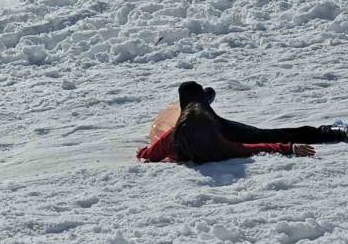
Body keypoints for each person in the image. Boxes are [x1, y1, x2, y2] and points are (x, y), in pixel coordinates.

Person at [138, 81, 348, 164]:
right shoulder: (220, 145)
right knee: (268, 135)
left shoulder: (172, 138)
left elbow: (147, 154)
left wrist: (143, 153)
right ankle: (201, 99)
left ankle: (201, 99)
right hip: (216, 126)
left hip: (206, 124)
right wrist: (289, 147)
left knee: (189, 92)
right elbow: (254, 147)